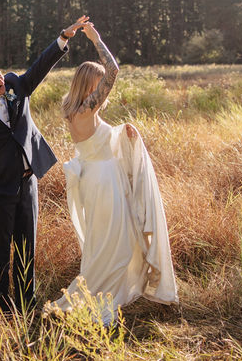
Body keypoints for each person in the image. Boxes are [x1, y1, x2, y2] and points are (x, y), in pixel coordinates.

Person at [45, 21, 178, 324]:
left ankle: (100, 291)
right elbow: (114, 70)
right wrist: (96, 39)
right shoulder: (86, 108)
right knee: (115, 245)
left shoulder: (73, 109)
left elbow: (95, 140)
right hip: (105, 183)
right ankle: (102, 298)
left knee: (105, 242)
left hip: (95, 180)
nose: (104, 89)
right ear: (92, 85)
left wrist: (122, 131)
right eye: (100, 84)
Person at [0, 15, 90, 315]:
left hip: (29, 183)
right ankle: (2, 306)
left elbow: (39, 68)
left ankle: (26, 302)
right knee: (0, 252)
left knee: (27, 249)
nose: (0, 83)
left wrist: (63, 38)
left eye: (0, 76)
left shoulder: (17, 85)